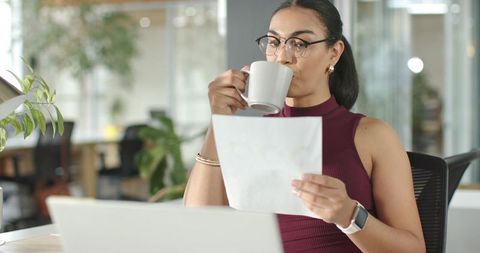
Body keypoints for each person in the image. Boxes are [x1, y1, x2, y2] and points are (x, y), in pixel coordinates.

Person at [183, 0, 426, 252]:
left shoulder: (371, 135)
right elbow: (198, 228)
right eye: (274, 42)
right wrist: (219, 121)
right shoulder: (252, 138)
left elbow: (414, 249)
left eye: (300, 44)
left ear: (334, 53)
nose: (282, 57)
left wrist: (349, 215)